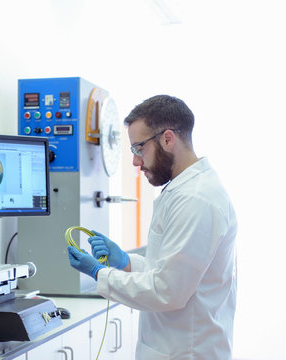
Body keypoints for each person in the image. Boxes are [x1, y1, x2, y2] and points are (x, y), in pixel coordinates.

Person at [67, 95, 237, 360]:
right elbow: (173, 271)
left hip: (186, 352)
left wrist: (99, 273)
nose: (136, 162)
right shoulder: (185, 190)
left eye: (138, 148)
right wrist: (126, 262)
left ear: (168, 139)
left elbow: (168, 291)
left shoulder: (197, 199)